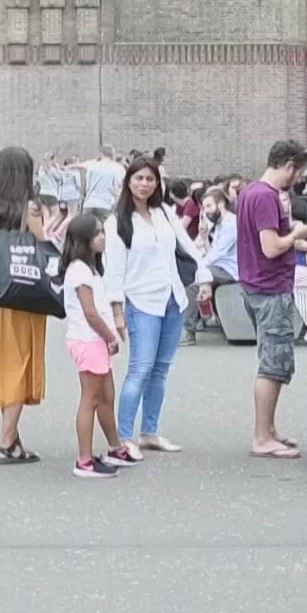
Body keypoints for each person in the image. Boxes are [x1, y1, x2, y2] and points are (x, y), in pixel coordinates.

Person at [104, 157, 210, 461]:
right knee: (140, 369)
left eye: (150, 179)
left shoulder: (164, 212)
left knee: (161, 369)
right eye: (138, 178)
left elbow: (186, 246)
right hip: (141, 301)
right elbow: (114, 269)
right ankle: (124, 437)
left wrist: (203, 276)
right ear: (128, 182)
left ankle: (149, 432)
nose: (144, 184)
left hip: (172, 298)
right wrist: (117, 310)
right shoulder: (117, 221)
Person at [239, 140, 307, 459]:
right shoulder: (267, 197)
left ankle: (269, 430)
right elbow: (271, 247)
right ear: (287, 165)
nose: (298, 178)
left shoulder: (251, 192)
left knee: (271, 359)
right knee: (273, 365)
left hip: (257, 285)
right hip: (271, 288)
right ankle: (262, 437)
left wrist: (306, 245)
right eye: (298, 172)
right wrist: (297, 234)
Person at [0, 146, 53, 463]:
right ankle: (6, 442)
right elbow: (43, 245)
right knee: (20, 363)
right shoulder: (29, 208)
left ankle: (13, 437)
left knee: (3, 362)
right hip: (23, 295)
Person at [59, 214, 137, 477]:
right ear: (83, 240)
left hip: (96, 339)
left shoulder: (90, 268)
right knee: (91, 398)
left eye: (102, 232)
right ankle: (84, 460)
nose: (102, 237)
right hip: (88, 339)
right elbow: (90, 313)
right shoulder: (79, 270)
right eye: (96, 233)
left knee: (106, 396)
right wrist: (111, 337)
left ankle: (115, 448)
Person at [82, 147, 126, 223]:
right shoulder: (117, 167)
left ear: (101, 154)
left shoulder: (92, 166)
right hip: (106, 203)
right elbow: (118, 185)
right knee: (105, 227)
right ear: (112, 154)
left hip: (89, 202)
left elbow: (87, 185)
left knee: (86, 228)